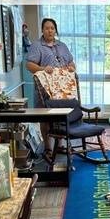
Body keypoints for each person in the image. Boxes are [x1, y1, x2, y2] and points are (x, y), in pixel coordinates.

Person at [26, 18, 76, 161]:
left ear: (55, 30)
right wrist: (43, 68)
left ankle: (59, 144)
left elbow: (71, 62)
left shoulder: (62, 46)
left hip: (61, 90)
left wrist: (71, 67)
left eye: (52, 28)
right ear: (42, 30)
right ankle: (48, 147)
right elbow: (29, 65)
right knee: (45, 118)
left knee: (61, 116)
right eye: (47, 28)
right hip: (44, 90)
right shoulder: (37, 46)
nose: (50, 31)